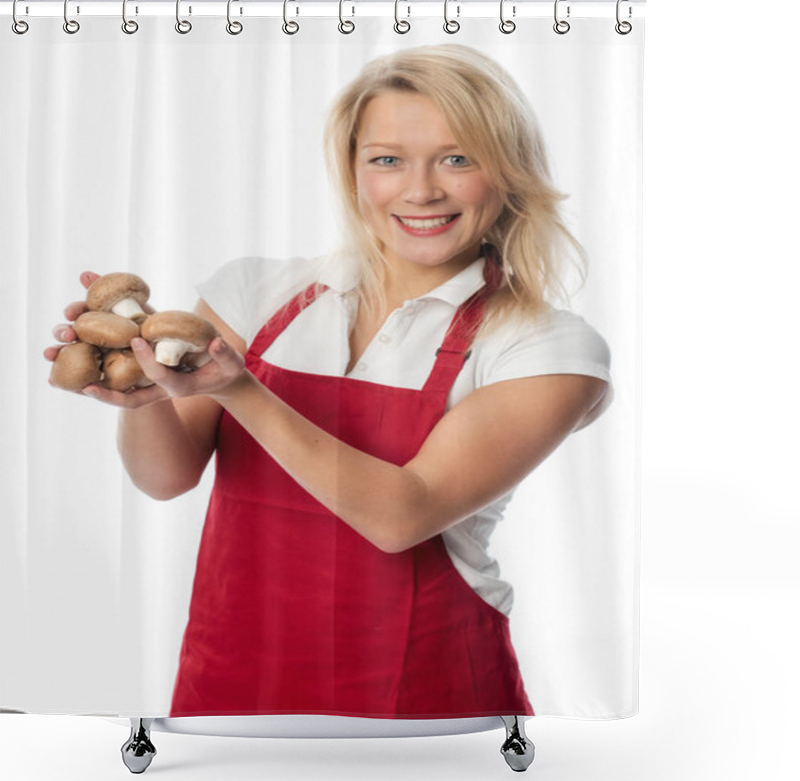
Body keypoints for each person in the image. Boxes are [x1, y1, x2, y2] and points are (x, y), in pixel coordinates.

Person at [45, 45, 612, 720]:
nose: (421, 189)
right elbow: (166, 478)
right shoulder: (254, 292)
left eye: (458, 158)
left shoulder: (545, 346)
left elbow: (403, 515)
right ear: (352, 173)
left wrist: (241, 391)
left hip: (426, 696)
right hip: (232, 676)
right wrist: (142, 396)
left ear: (508, 174)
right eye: (387, 159)